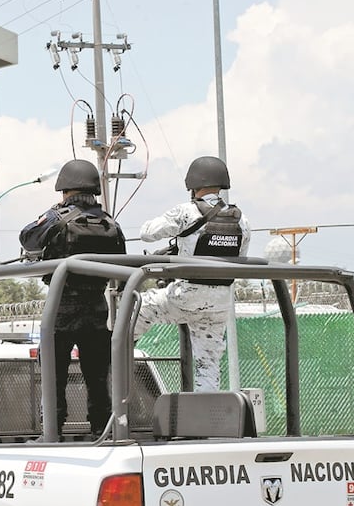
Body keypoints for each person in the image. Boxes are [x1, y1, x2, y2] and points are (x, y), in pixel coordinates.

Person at [20, 159, 127, 438]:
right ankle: (102, 431)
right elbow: (123, 262)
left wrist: (53, 213)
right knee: (98, 376)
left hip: (61, 305)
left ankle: (52, 431)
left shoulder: (58, 218)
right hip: (96, 307)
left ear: (64, 189)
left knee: (53, 375)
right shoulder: (109, 223)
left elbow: (28, 238)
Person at [136, 155, 251, 391]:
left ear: (193, 184)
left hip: (187, 295)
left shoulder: (186, 212)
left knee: (139, 305)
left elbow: (146, 232)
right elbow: (240, 257)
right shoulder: (241, 220)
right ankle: (207, 420)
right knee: (208, 366)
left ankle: (118, 356)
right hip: (220, 302)